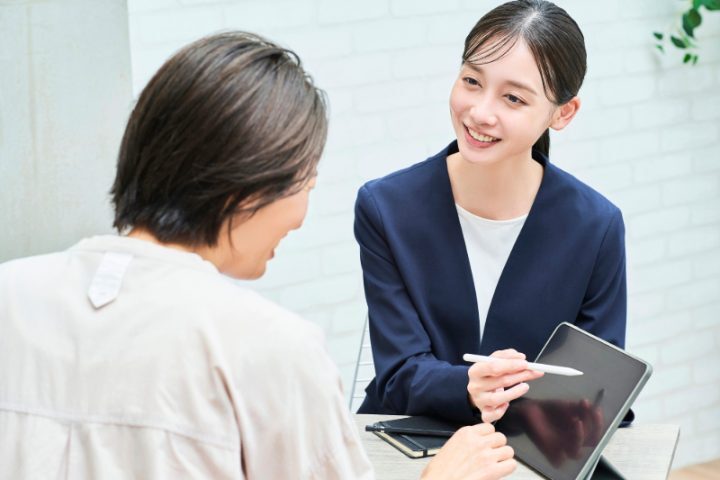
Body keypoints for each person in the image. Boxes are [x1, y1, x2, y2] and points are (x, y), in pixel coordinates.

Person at [0, 32, 517, 479]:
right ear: (250, 190)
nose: (300, 218)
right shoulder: (272, 351)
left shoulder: (11, 295)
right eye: (307, 185)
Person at [355, 0, 630, 428]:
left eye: (513, 97)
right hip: (412, 441)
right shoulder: (386, 207)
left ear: (563, 112)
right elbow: (397, 374)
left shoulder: (595, 226)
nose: (480, 112)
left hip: (536, 452)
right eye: (471, 80)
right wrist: (466, 385)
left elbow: (596, 387)